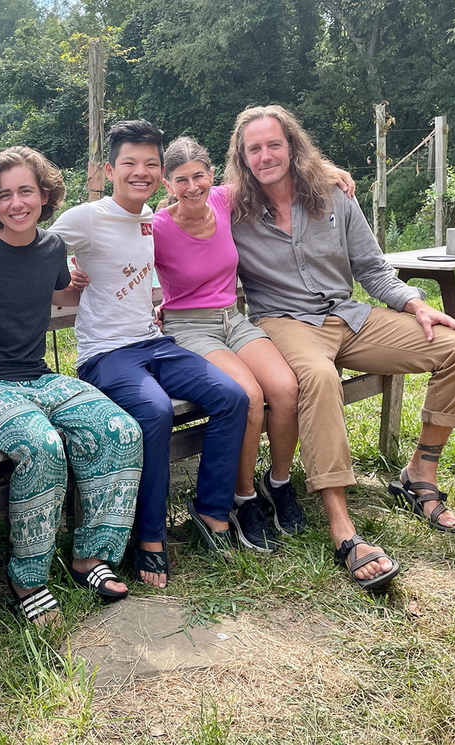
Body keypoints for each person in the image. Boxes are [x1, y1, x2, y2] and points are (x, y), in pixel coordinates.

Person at [225, 104, 455, 590]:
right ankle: (341, 523)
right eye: (254, 148)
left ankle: (418, 473)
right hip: (284, 322)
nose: (265, 156)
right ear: (241, 157)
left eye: (274, 144)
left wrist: (414, 303)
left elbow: (370, 266)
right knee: (318, 379)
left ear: (292, 146)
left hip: (349, 315)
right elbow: (182, 205)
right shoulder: (231, 207)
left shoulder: (332, 195)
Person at [0, 146, 142, 623]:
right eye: (5, 194)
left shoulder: (53, 247)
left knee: (121, 430)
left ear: (45, 195)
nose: (17, 203)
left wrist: (72, 288)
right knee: (42, 446)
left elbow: (52, 287)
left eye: (26, 191)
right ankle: (27, 576)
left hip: (37, 375)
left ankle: (90, 556)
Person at [50, 121, 249, 587]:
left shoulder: (148, 220)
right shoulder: (87, 216)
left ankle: (212, 512)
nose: (139, 172)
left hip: (154, 342)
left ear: (160, 174)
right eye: (129, 164)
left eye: (149, 164)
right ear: (108, 170)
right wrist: (62, 276)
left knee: (233, 396)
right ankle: (150, 537)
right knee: (156, 412)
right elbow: (31, 245)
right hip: (105, 354)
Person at [153, 136, 304, 552]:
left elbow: (273, 174)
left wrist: (334, 174)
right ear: (167, 184)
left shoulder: (223, 200)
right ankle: (244, 498)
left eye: (198, 175)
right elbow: (117, 258)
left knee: (286, 389)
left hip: (232, 319)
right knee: (250, 396)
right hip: (189, 327)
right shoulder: (159, 227)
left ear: (211, 175)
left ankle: (278, 483)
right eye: (181, 180)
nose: (192, 187)